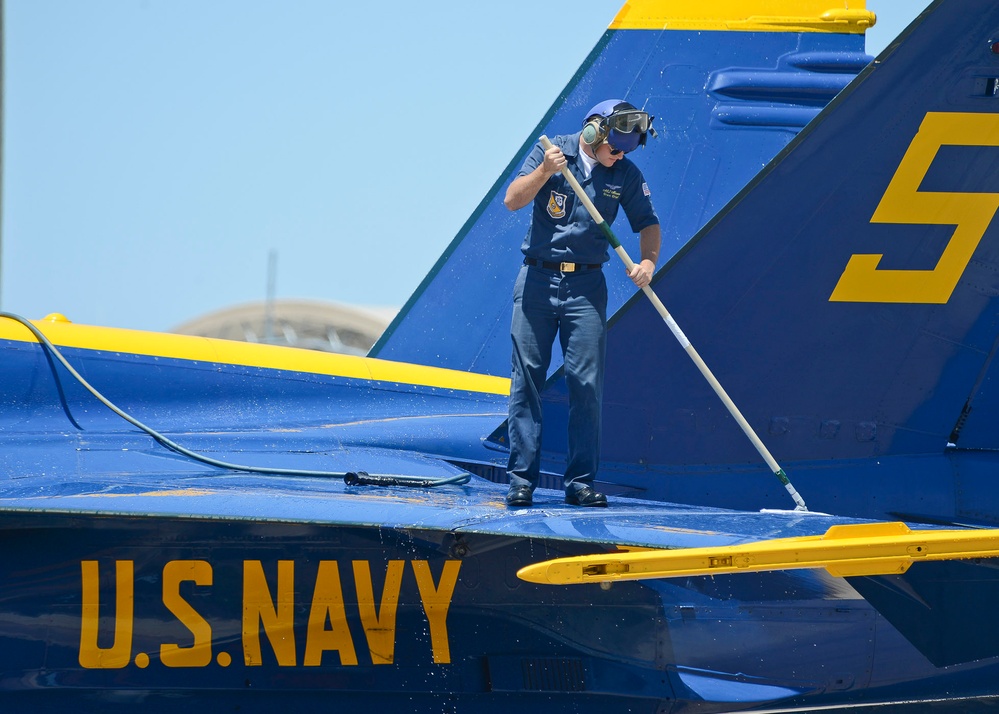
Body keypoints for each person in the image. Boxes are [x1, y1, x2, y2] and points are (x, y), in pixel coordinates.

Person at [503, 99, 661, 508]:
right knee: (527, 382)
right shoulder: (553, 151)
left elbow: (647, 222)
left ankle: (580, 483)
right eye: (617, 145)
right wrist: (544, 172)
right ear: (594, 132)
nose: (621, 153)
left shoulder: (624, 173)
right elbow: (513, 200)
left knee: (586, 386)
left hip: (586, 286)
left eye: (628, 147)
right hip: (537, 279)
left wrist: (648, 262)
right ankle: (521, 480)